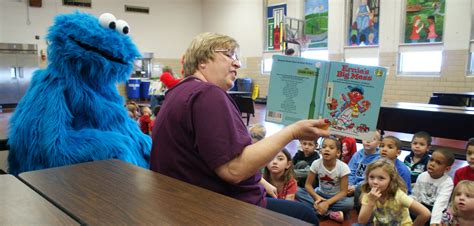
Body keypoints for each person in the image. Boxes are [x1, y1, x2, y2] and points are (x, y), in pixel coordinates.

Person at [150, 32, 330, 224]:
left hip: (183, 203)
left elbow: (207, 158)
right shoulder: (208, 94)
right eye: (229, 55)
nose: (238, 64)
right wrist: (292, 132)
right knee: (306, 215)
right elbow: (233, 170)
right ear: (202, 60)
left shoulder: (177, 92)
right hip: (220, 209)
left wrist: (260, 181)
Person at [296, 136, 353, 223]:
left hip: (335, 199)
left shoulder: (343, 167)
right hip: (319, 194)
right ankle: (329, 213)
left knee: (349, 204)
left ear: (338, 153)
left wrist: (327, 203)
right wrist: (317, 197)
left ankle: (316, 209)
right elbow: (308, 185)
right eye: (324, 147)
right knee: (297, 190)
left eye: (331, 147)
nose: (326, 149)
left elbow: (343, 192)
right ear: (320, 150)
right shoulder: (316, 163)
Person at [358, 159, 431, 225]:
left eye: (381, 178)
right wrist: (371, 201)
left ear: (391, 180)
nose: (375, 182)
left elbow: (425, 214)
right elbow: (361, 221)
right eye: (371, 177)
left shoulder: (399, 195)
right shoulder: (369, 194)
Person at [412, 149, 455, 225]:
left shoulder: (447, 182)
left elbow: (440, 204)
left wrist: (434, 222)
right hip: (421, 207)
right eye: (431, 160)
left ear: (447, 169)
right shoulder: (422, 176)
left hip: (436, 210)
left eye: (438, 163)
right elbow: (415, 196)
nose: (432, 164)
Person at [348, 130, 381, 211]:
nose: (368, 141)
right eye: (366, 138)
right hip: (351, 186)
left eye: (372, 139)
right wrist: (349, 184)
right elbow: (350, 171)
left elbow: (372, 179)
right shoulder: (357, 154)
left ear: (378, 143)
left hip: (366, 187)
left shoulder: (379, 159)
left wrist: (354, 187)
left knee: (359, 189)